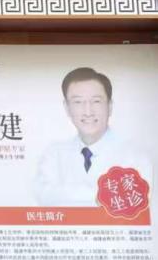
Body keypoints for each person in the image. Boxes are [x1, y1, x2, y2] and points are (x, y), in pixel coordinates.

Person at [34, 67, 154, 205]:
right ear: (67, 108)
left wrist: (68, 194)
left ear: (110, 106)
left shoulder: (136, 155)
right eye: (78, 102)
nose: (88, 112)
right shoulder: (54, 154)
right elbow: (45, 197)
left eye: (96, 101)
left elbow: (136, 202)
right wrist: (102, 195)